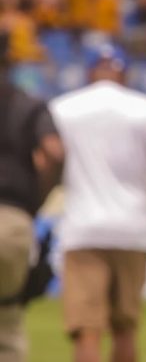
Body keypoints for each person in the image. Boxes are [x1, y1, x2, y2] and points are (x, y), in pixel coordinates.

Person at [50, 43, 146, 362]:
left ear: (89, 72)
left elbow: (49, 153)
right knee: (125, 329)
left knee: (87, 331)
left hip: (83, 227)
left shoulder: (63, 108)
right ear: (125, 73)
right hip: (132, 227)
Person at [0, 32, 65, 361]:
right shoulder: (28, 103)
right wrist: (35, 200)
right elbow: (55, 153)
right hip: (12, 219)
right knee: (7, 320)